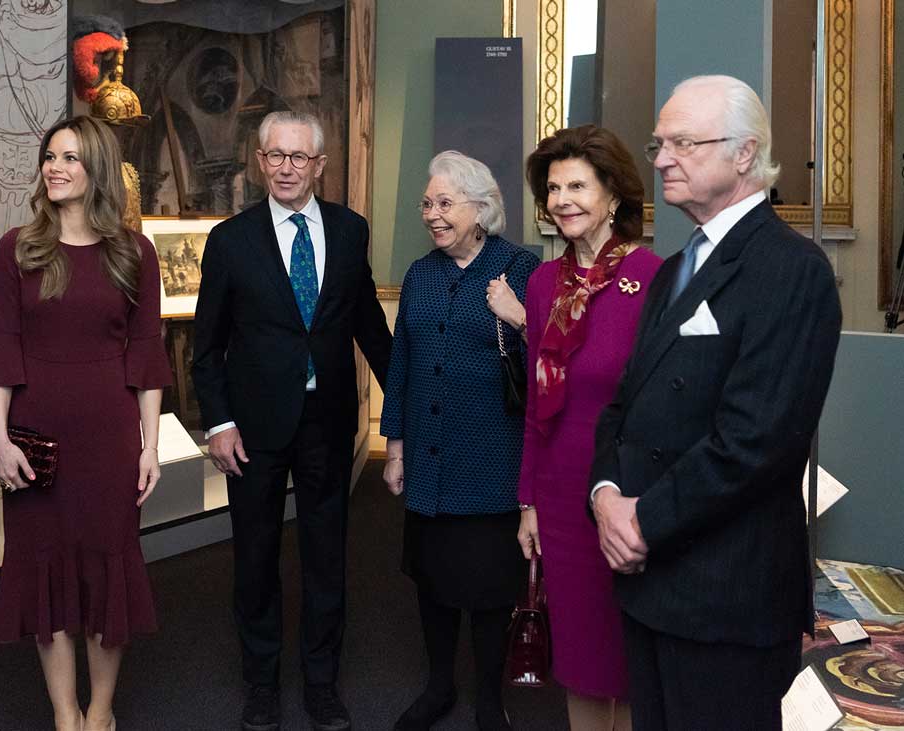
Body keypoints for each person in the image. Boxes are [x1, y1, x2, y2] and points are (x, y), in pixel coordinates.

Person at [589, 75, 842, 730]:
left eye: (682, 143)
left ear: (743, 153)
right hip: (648, 589)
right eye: (658, 143)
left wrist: (642, 524)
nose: (662, 157)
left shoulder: (793, 269)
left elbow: (755, 441)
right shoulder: (673, 268)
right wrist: (606, 495)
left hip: (726, 602)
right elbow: (623, 406)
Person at [191, 110, 392, 731]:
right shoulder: (231, 239)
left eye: (298, 157)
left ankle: (322, 683)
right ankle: (260, 683)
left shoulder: (350, 231)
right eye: (275, 155)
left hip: (327, 422)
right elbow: (206, 346)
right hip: (251, 429)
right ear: (259, 161)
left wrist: (404, 410)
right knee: (254, 556)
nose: (285, 167)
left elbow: (368, 327)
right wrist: (218, 422)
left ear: (320, 166)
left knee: (326, 556)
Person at [0, 115, 170, 731]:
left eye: (69, 158)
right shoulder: (17, 247)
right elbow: (1, 346)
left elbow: (147, 356)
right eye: (49, 156)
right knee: (45, 571)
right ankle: (65, 716)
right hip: (37, 440)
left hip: (110, 438)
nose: (54, 167)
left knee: (108, 569)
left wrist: (150, 446)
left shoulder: (134, 252)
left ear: (98, 171)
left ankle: (101, 713)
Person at [380, 151, 539, 731]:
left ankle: (489, 701)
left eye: (445, 203)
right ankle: (439, 686)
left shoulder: (520, 269)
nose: (431, 213)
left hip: (493, 459)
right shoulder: (421, 274)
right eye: (427, 202)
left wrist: (518, 315)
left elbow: (549, 364)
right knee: (433, 581)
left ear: (481, 209)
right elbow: (402, 363)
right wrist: (394, 446)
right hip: (428, 459)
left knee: (492, 590)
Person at [511, 125, 662, 731]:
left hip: (624, 495)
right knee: (575, 656)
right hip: (557, 495)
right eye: (553, 188)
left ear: (613, 197)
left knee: (626, 661)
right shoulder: (544, 282)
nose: (562, 199)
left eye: (577, 185)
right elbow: (534, 406)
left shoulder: (654, 278)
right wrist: (527, 502)